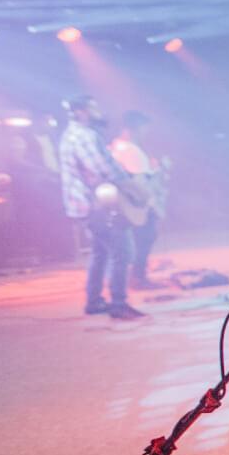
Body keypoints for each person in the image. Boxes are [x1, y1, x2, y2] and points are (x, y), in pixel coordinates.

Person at [58, 96, 143, 319]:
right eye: (93, 108)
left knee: (100, 252)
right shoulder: (84, 136)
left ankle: (94, 301)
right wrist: (132, 184)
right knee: (122, 251)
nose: (99, 112)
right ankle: (118, 304)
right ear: (81, 112)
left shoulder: (71, 134)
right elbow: (103, 167)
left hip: (85, 204)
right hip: (96, 204)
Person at [108, 110, 167, 291]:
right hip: (139, 206)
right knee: (145, 238)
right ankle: (138, 278)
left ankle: (129, 277)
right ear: (136, 128)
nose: (145, 133)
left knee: (131, 241)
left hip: (123, 205)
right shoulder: (132, 151)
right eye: (144, 128)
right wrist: (159, 171)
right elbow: (140, 183)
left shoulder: (114, 147)